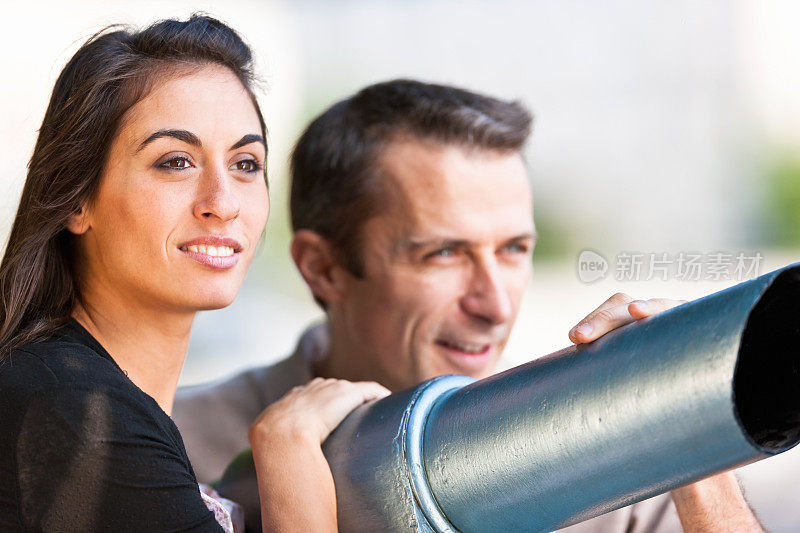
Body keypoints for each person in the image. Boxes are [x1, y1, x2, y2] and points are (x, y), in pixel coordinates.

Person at [173, 80, 764, 532]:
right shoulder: (172, 450)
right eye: (444, 254)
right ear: (323, 268)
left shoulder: (610, 440)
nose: (495, 302)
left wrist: (691, 424)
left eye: (514, 249)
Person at [0, 15, 387, 532]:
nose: (222, 204)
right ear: (77, 199)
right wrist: (289, 452)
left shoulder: (78, 393)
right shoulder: (78, 412)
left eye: (246, 164)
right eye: (177, 161)